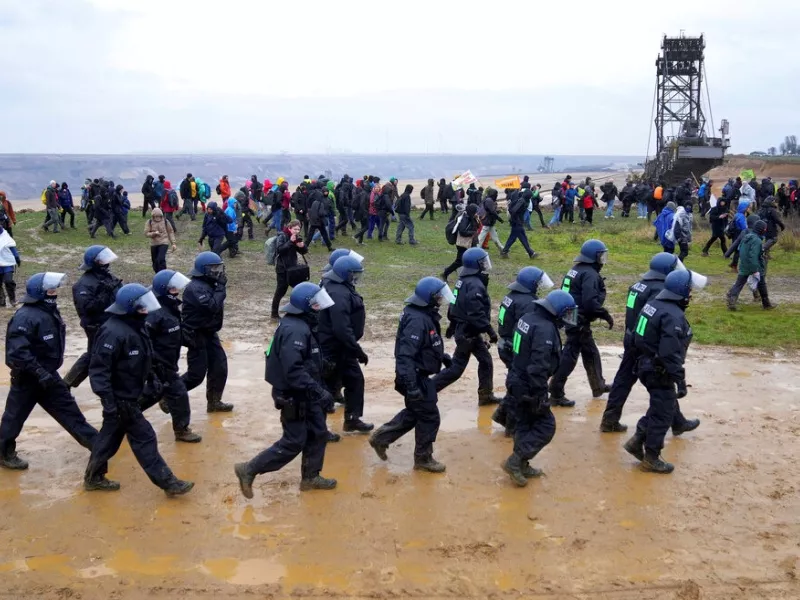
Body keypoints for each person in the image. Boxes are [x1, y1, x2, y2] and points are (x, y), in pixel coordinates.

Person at [83, 284, 194, 495]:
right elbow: (99, 371)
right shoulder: (112, 332)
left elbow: (146, 356)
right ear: (130, 307)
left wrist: (152, 378)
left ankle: (93, 477)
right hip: (120, 399)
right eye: (143, 307)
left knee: (108, 439)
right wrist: (108, 402)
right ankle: (168, 482)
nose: (147, 310)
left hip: (129, 396)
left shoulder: (137, 325)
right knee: (145, 438)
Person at [234, 282, 338, 497]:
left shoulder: (301, 325)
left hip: (306, 393)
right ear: (306, 306)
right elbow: (293, 371)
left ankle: (311, 477)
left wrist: (321, 368)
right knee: (294, 441)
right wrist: (320, 392)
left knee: (318, 433)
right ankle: (249, 469)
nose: (320, 309)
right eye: (316, 305)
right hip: (295, 395)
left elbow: (304, 362)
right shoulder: (295, 330)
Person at [0, 273, 98, 470]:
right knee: (14, 417)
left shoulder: (48, 310)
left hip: (49, 377)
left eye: (54, 289)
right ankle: (4, 453)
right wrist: (39, 372)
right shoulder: (25, 317)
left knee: (70, 412)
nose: (55, 293)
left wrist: (46, 374)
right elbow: (17, 354)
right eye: (50, 290)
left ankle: (98, 445)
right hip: (28, 379)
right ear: (39, 293)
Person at [601, 253, 699, 434]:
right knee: (663, 386)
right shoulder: (659, 289)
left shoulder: (638, 285)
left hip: (632, 337)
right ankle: (675, 423)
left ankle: (611, 419)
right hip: (644, 344)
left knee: (624, 380)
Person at [624, 269, 707, 473]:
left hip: (645, 365)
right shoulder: (673, 315)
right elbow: (669, 353)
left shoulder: (652, 305)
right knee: (663, 414)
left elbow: (636, 337)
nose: (690, 294)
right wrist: (679, 379)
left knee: (660, 407)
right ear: (681, 291)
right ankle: (652, 457)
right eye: (689, 290)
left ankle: (636, 441)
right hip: (658, 370)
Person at [369, 277, 453, 473]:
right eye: (438, 297)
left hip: (418, 376)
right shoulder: (417, 320)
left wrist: (442, 357)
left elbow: (426, 344)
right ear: (429, 297)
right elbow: (405, 356)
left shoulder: (423, 313)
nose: (441, 300)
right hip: (414, 377)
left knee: (417, 412)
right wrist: (411, 386)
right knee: (430, 416)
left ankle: (381, 438)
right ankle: (423, 458)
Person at [501, 290, 578, 486]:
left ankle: (522, 463)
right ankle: (515, 461)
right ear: (557, 311)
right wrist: (541, 396)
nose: (568, 318)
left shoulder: (528, 318)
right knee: (546, 426)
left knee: (525, 424)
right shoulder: (545, 330)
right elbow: (538, 367)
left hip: (516, 379)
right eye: (567, 313)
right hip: (529, 386)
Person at [432, 247, 503, 405]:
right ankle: (428, 389)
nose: (486, 265)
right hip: (468, 332)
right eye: (483, 262)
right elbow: (475, 312)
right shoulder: (475, 284)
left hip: (466, 330)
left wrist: (452, 324)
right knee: (456, 368)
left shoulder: (462, 280)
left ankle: (486, 395)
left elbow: (454, 303)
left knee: (485, 361)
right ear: (476, 265)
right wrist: (490, 331)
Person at [548, 239, 613, 406]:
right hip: (578, 317)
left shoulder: (576, 270)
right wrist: (604, 314)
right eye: (601, 256)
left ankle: (598, 385)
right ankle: (555, 391)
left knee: (590, 351)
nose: (603, 260)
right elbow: (590, 302)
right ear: (594, 257)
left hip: (570, 313)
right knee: (570, 355)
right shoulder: (590, 274)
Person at [491, 267, 554, 436]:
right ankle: (512, 427)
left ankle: (502, 414)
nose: (540, 286)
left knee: (515, 383)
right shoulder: (527, 302)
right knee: (519, 387)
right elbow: (528, 330)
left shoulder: (512, 296)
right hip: (513, 348)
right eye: (538, 283)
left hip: (506, 344)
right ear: (531, 284)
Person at [143, 270, 202, 443]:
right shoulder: (155, 313)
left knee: (169, 394)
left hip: (168, 363)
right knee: (172, 394)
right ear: (165, 290)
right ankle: (120, 420)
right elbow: (144, 340)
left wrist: (190, 342)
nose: (177, 291)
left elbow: (175, 332)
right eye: (174, 289)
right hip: (159, 365)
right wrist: (152, 364)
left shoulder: (171, 308)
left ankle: (181, 430)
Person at [318, 256, 373, 434]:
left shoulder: (339, 286)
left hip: (343, 348)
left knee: (355, 380)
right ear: (345, 274)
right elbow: (341, 328)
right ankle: (318, 429)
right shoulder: (338, 292)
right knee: (326, 388)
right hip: (334, 349)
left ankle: (352, 419)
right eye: (354, 274)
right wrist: (358, 351)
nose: (356, 278)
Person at [63, 246, 123, 388]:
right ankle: (66, 384)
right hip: (95, 325)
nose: (106, 263)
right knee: (94, 355)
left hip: (111, 322)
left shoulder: (108, 276)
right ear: (95, 262)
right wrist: (104, 294)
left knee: (104, 355)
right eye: (103, 260)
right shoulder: (83, 284)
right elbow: (87, 309)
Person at [181, 252, 233, 412]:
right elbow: (212, 306)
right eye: (214, 268)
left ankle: (214, 402)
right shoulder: (195, 288)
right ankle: (168, 395)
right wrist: (221, 289)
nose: (217, 271)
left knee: (220, 367)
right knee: (196, 375)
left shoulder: (210, 284)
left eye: (219, 267)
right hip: (196, 334)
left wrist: (219, 288)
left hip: (209, 333)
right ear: (203, 270)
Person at [726, 220, 775, 310]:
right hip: (755, 266)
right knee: (762, 283)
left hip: (744, 264)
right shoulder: (757, 241)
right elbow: (753, 256)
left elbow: (740, 249)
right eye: (765, 228)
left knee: (739, 284)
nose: (765, 230)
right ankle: (766, 304)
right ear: (761, 229)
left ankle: (731, 300)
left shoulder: (746, 237)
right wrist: (755, 269)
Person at [271, 220, 308, 320]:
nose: (296, 231)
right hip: (282, 268)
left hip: (293, 268)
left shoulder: (296, 237)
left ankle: (301, 312)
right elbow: (280, 250)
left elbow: (304, 251)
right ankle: (274, 314)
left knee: (299, 289)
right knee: (280, 291)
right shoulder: (282, 236)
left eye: (298, 229)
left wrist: (302, 246)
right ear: (289, 228)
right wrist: (290, 242)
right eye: (294, 229)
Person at [442, 204, 478, 280]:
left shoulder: (471, 217)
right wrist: (472, 233)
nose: (476, 213)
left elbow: (475, 226)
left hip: (470, 242)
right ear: (471, 212)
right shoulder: (464, 218)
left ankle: (471, 276)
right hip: (463, 244)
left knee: (473, 259)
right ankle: (446, 272)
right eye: (475, 212)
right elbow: (462, 231)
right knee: (460, 261)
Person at [501, 189, 536, 259]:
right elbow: (514, 211)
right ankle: (530, 253)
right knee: (520, 238)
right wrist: (516, 220)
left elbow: (514, 210)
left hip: (517, 222)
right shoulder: (524, 201)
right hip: (517, 222)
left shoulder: (523, 200)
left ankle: (505, 251)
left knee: (517, 237)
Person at [144, 207, 177, 273]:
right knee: (155, 262)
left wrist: (173, 243)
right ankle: (158, 274)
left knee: (160, 259)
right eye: (156, 216)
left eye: (159, 216)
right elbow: (146, 233)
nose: (157, 218)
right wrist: (154, 233)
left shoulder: (166, 221)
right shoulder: (149, 222)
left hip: (164, 242)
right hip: (154, 244)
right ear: (153, 216)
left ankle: (163, 274)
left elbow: (170, 232)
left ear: (161, 215)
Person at [308, 185, 334, 251]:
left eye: (327, 192)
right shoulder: (320, 202)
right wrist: (325, 213)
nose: (326, 193)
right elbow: (321, 212)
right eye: (325, 192)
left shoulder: (322, 200)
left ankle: (329, 247)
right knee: (311, 235)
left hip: (319, 220)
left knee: (324, 234)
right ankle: (306, 246)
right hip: (318, 220)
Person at [0, 223, 20, 307]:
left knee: (8, 281)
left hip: (7, 264)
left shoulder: (5, 238)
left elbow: (13, 248)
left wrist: (17, 258)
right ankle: (1, 300)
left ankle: (12, 299)